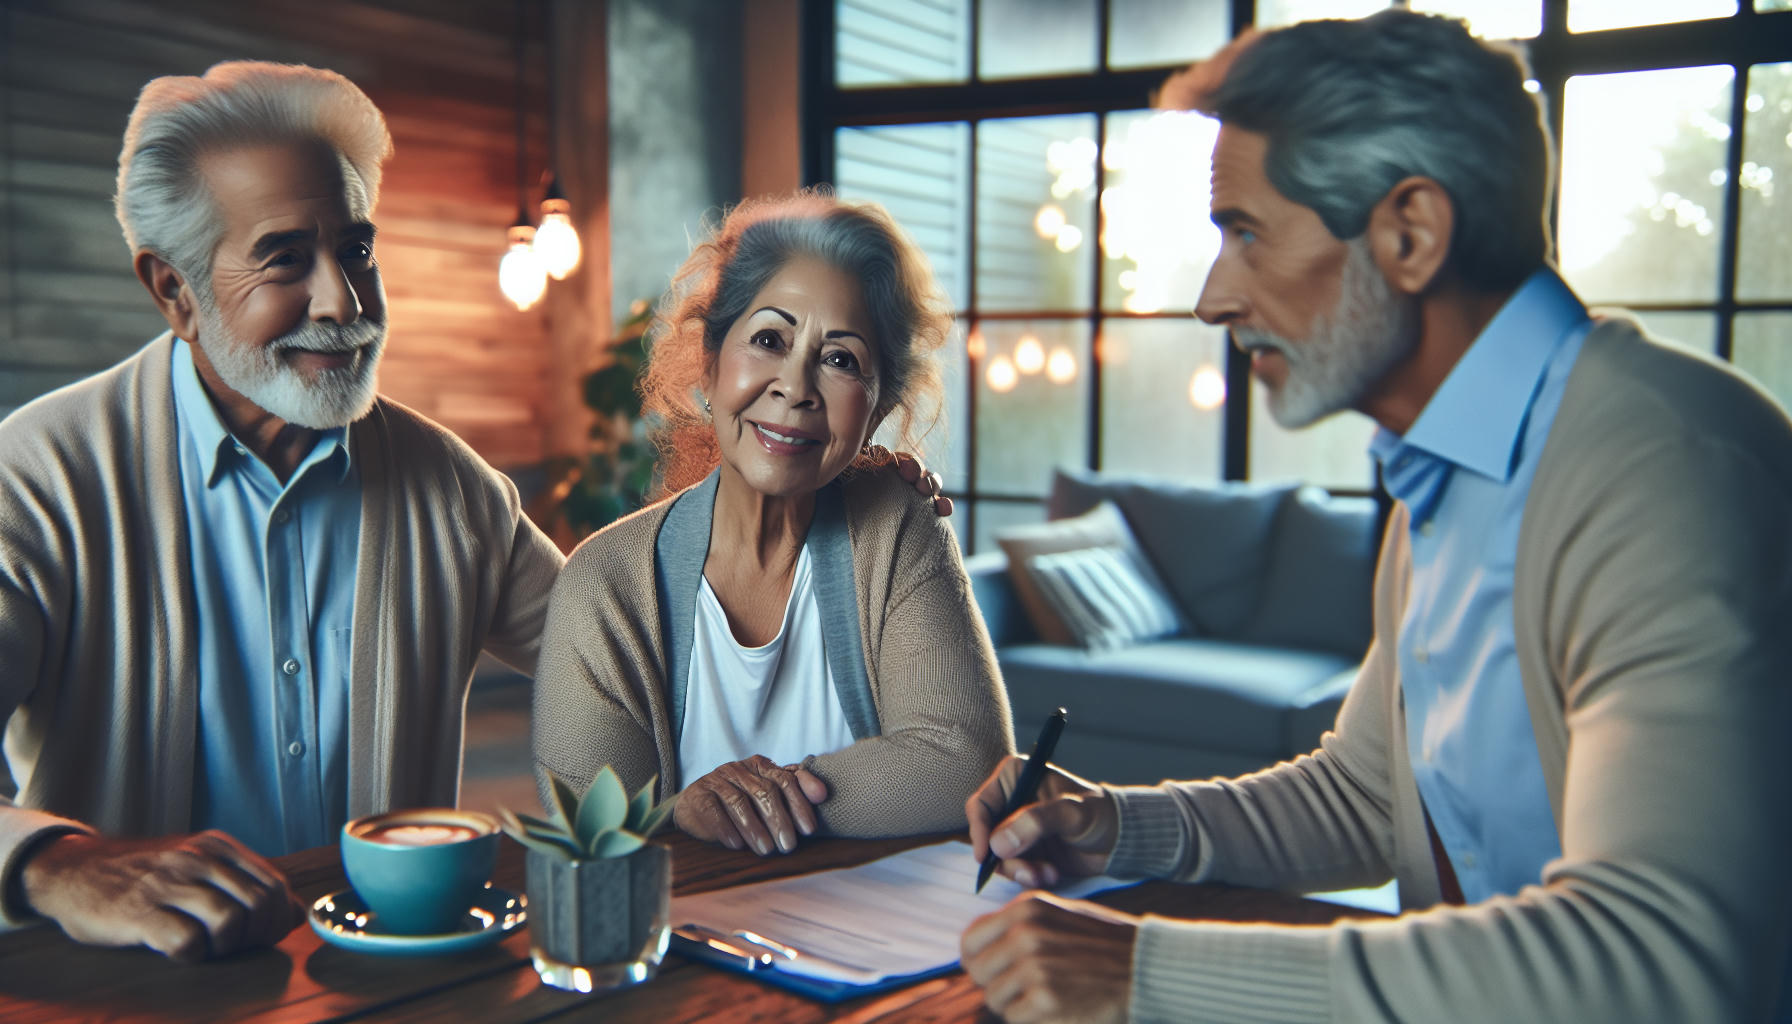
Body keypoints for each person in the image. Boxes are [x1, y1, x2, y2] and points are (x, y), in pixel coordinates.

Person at [959, 11, 1792, 1024]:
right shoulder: (1440, 477)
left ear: (1409, 232)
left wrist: (1140, 973)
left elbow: (1662, 956)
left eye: (1246, 232)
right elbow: (1368, 797)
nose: (1212, 301)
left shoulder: (1664, 464)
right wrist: (1111, 827)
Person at [0, 60, 571, 961]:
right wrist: (57, 862)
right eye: (284, 259)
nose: (345, 302)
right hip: (131, 994)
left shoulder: (454, 488)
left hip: (388, 986)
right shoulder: (35, 477)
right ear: (174, 292)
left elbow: (620, 660)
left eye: (355, 250)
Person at [533, 192, 1013, 857]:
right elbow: (589, 828)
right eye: (768, 340)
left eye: (841, 359)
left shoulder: (896, 525)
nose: (796, 386)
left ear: (875, 411)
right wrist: (688, 809)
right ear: (710, 363)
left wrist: (766, 795)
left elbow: (969, 764)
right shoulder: (605, 582)